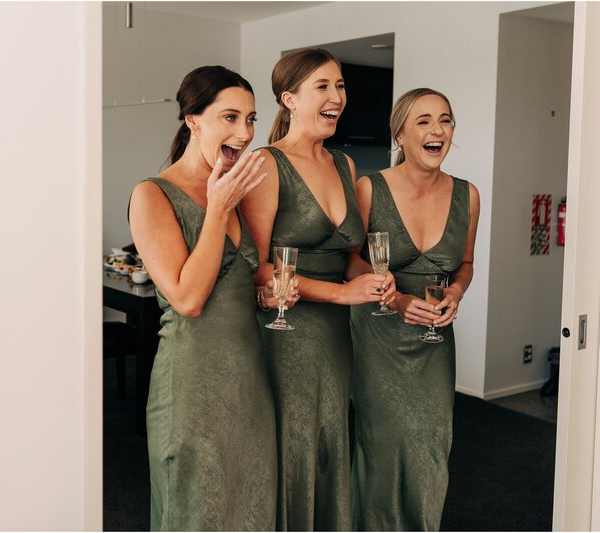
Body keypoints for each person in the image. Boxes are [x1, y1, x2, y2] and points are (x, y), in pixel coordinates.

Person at [128, 65, 295, 531]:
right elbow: (188, 299)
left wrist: (268, 292)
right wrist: (218, 207)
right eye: (230, 117)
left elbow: (238, 283)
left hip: (248, 379)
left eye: (251, 119)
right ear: (193, 120)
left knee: (251, 510)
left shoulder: (236, 190)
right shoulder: (152, 195)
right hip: (191, 385)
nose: (245, 133)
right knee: (198, 515)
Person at [240, 48, 395, 531]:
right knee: (293, 443)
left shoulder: (345, 166)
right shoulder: (265, 164)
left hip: (335, 334)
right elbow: (259, 269)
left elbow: (347, 255)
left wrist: (368, 278)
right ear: (289, 98)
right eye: (322, 87)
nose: (337, 97)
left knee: (331, 439)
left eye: (341, 86)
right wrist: (340, 295)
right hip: (286, 329)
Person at [347, 88, 481, 531]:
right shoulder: (370, 188)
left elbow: (464, 264)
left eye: (445, 120)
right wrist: (398, 298)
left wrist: (456, 294)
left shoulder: (468, 195)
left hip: (434, 341)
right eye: (423, 121)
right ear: (400, 134)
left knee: (431, 442)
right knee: (382, 443)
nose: (437, 130)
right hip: (379, 333)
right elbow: (349, 262)